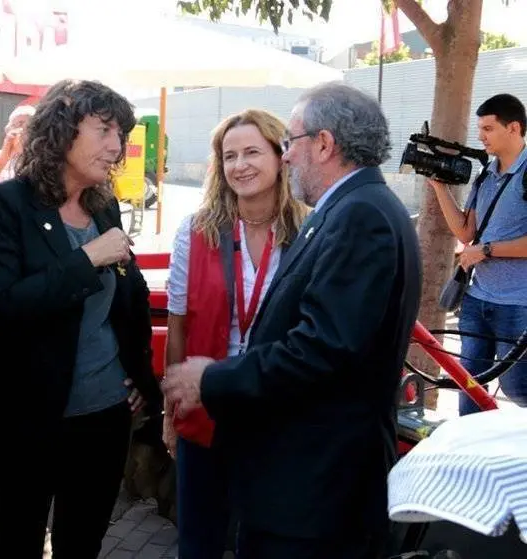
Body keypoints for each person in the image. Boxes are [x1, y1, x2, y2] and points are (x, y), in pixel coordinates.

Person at [162, 82, 422, 559]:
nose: (285, 158)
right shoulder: (356, 208)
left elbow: (324, 349)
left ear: (323, 144)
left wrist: (213, 377)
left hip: (318, 479)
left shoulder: (358, 215)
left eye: (289, 144)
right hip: (311, 470)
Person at [0, 79, 162, 558]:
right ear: (64, 129)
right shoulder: (8, 205)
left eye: (122, 134)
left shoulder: (103, 205)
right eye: (105, 130)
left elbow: (128, 299)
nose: (117, 146)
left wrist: (136, 376)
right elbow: (6, 305)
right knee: (15, 545)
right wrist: (86, 258)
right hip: (24, 421)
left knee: (82, 544)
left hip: (103, 419)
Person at [162, 109, 308, 559]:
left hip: (276, 411)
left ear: (281, 155)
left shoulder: (310, 229)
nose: (239, 165)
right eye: (229, 156)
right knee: (199, 540)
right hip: (206, 409)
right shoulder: (197, 229)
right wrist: (171, 411)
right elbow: (178, 324)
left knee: (266, 540)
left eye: (251, 152)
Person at [427, 93, 527, 416]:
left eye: (488, 128)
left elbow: (479, 245)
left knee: (516, 385)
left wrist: (486, 251)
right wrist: (440, 188)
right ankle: (470, 451)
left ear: (514, 128)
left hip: (516, 303)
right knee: (467, 381)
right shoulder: (486, 173)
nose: (481, 136)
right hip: (476, 298)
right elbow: (466, 232)